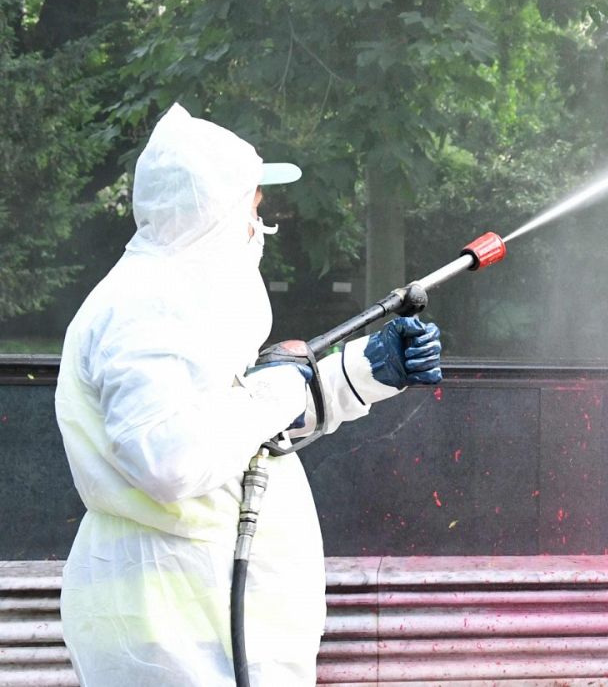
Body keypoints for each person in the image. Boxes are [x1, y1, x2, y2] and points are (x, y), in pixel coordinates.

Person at [54, 104, 444, 685]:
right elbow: (169, 458)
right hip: (171, 633)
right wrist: (285, 384)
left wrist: (365, 370)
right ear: (214, 215)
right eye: (253, 210)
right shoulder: (145, 309)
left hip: (204, 616)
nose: (260, 225)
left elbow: (237, 429)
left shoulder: (182, 301)